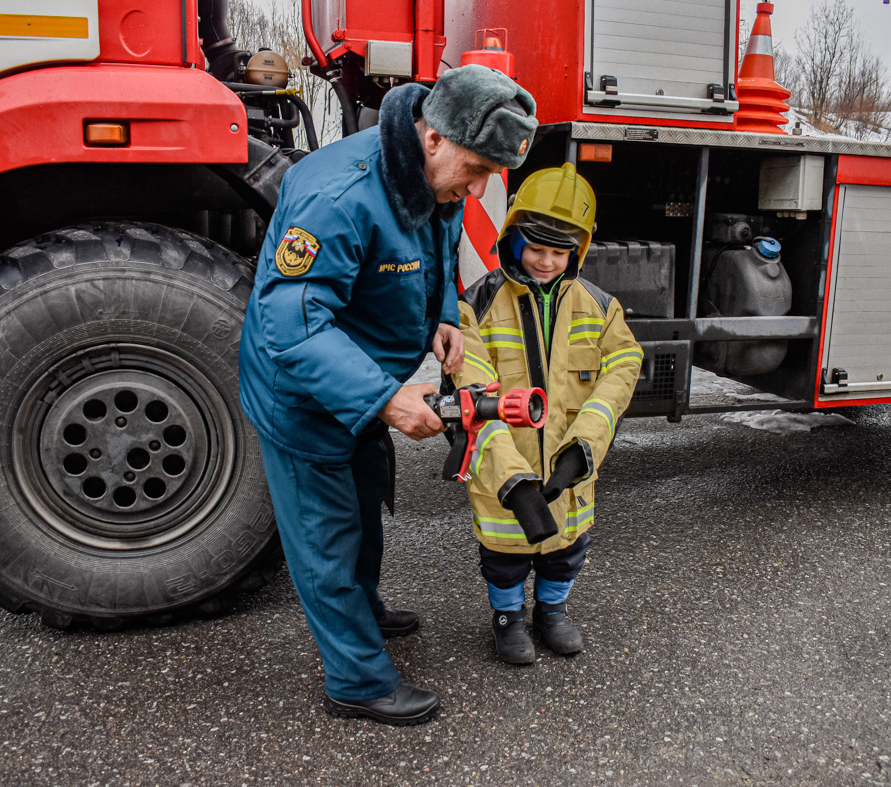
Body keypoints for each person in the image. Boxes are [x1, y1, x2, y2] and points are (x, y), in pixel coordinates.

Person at [238, 65, 538, 725]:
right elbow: (293, 328)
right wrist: (388, 399)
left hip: (362, 387)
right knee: (327, 536)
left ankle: (364, 613)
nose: (480, 186)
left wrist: (445, 317)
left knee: (364, 509)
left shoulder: (431, 179)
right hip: (305, 396)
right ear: (431, 137)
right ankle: (356, 680)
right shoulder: (337, 196)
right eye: (476, 167)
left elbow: (436, 250)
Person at [449, 163, 643, 664]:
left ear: (576, 251)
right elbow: (473, 395)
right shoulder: (477, 306)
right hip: (502, 469)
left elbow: (622, 367)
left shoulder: (600, 306)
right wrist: (511, 481)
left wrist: (584, 448)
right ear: (512, 238)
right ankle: (508, 618)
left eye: (560, 251)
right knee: (504, 556)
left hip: (568, 468)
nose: (546, 261)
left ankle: (551, 612)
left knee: (566, 550)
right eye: (536, 248)